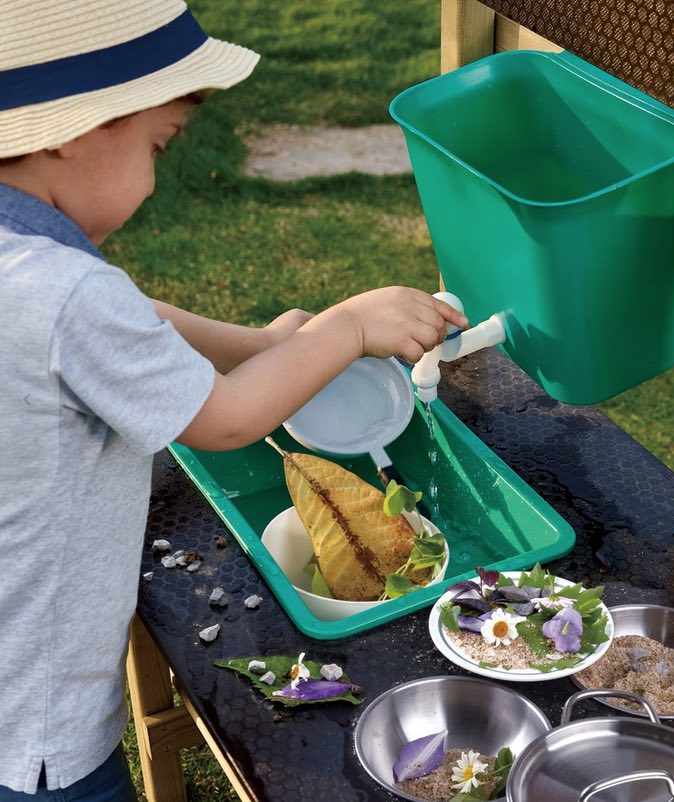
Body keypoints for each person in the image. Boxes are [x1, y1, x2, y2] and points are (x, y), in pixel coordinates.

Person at [0, 1, 467, 798]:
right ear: (73, 130)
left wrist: (257, 346)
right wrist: (350, 327)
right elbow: (225, 419)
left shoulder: (28, 269)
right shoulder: (65, 293)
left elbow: (128, 315)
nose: (159, 172)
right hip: (38, 728)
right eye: (160, 144)